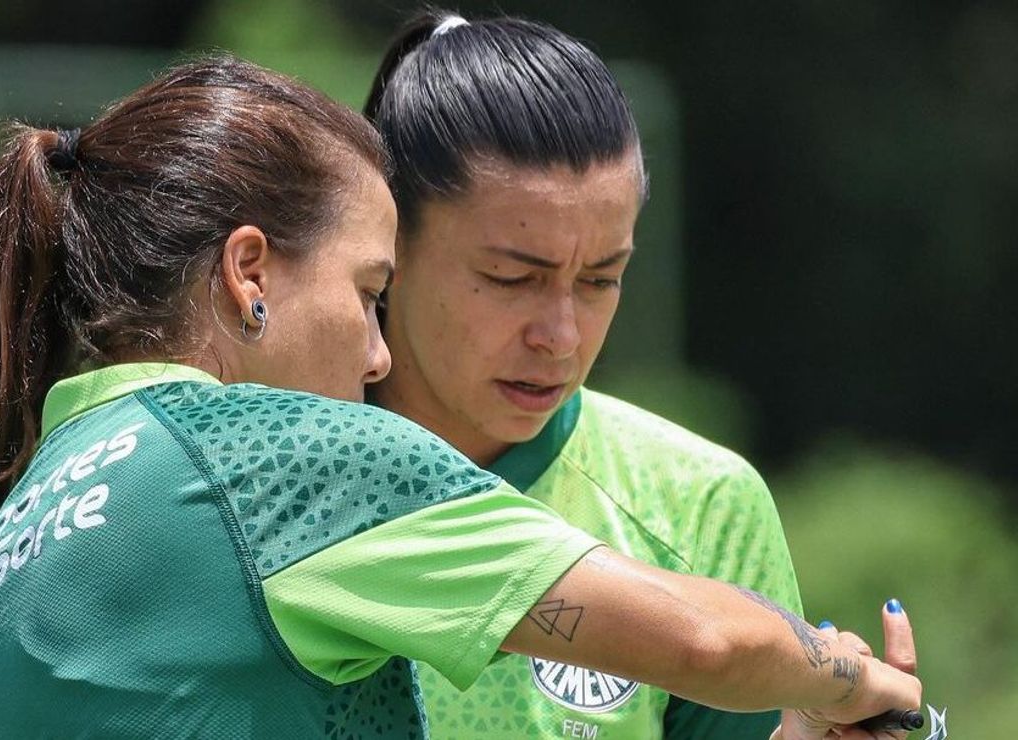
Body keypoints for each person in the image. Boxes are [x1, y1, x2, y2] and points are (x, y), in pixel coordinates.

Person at [0, 56, 919, 739]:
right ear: (250, 272)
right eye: (370, 291)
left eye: (602, 277)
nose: (377, 356)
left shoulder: (14, 517)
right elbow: (705, 642)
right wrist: (850, 674)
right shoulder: (287, 462)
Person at [364, 11, 916, 740]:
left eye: (600, 279)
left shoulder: (699, 505)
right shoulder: (268, 473)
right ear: (386, 238)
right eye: (509, 278)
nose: (560, 335)